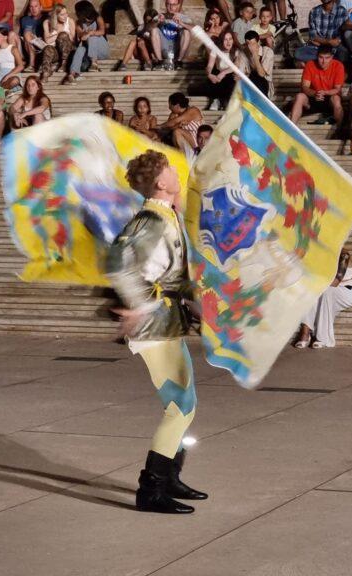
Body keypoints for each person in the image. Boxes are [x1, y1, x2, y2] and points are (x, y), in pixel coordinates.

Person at [106, 150, 206, 514]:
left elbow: (173, 274)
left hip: (167, 322)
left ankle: (171, 477)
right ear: (161, 182)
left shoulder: (166, 214)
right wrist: (139, 306)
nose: (177, 173)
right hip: (155, 326)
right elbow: (118, 264)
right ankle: (151, 489)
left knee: (183, 403)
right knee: (181, 408)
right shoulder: (152, 219)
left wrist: (196, 307)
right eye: (171, 170)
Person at [294, 249, 352, 348]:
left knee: (326, 290)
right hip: (327, 289)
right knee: (310, 291)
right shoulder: (321, 255)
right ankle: (305, 334)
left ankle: (322, 338)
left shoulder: (344, 255)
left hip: (347, 291)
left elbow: (335, 282)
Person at [290, 45, 345, 126]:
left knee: (336, 99)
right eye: (321, 57)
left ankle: (339, 129)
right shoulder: (310, 64)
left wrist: (325, 92)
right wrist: (315, 93)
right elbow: (305, 87)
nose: (324, 61)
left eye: (327, 58)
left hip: (329, 99)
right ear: (317, 56)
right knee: (300, 96)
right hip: (313, 97)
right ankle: (291, 128)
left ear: (332, 57)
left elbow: (337, 89)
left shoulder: (338, 65)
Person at [63, 0, 109, 84]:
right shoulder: (79, 23)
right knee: (80, 49)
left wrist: (90, 33)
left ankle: (94, 64)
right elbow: (81, 36)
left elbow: (102, 31)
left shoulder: (98, 18)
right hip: (89, 51)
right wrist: (85, 34)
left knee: (92, 37)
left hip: (101, 50)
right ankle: (72, 74)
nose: (76, 13)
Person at [294, 0, 349, 66]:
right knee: (298, 53)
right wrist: (328, 41)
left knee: (343, 53)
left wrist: (322, 41)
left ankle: (321, 60)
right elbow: (313, 36)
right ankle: (327, 60)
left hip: (335, 48)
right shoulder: (314, 11)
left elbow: (342, 35)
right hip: (318, 48)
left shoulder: (342, 11)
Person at [152, 0, 194, 70]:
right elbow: (148, 28)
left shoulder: (184, 18)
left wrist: (182, 23)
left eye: (174, 4)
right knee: (154, 30)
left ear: (178, 5)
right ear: (166, 5)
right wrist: (157, 22)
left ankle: (179, 62)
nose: (171, 7)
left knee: (186, 31)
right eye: (169, 4)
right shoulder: (159, 16)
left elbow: (195, 29)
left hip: (177, 48)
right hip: (163, 48)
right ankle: (160, 62)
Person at [40, 3, 75, 81]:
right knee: (47, 48)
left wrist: (59, 35)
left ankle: (64, 63)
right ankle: (45, 73)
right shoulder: (47, 22)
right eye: (62, 14)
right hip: (55, 51)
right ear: (56, 15)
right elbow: (47, 41)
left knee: (63, 35)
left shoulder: (70, 21)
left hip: (67, 51)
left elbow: (72, 39)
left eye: (66, 13)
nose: (65, 16)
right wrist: (58, 33)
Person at [204, 30, 237, 111]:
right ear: (221, 41)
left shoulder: (237, 51)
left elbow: (236, 66)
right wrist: (209, 74)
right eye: (225, 39)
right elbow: (209, 66)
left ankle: (226, 102)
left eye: (230, 39)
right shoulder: (216, 50)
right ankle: (216, 100)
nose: (228, 42)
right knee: (213, 76)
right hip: (219, 75)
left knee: (230, 79)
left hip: (231, 74)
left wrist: (224, 73)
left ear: (233, 40)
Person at [236, 30, 274, 98]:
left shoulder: (268, 52)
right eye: (248, 44)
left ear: (258, 42)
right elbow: (241, 71)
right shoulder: (244, 52)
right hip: (248, 81)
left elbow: (262, 74)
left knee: (257, 78)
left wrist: (255, 55)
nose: (250, 47)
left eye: (253, 44)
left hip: (263, 83)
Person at [20, 0, 46, 73]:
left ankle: (31, 65)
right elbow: (21, 35)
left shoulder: (46, 18)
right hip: (27, 45)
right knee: (12, 34)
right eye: (31, 7)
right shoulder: (24, 19)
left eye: (36, 6)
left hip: (42, 45)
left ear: (41, 7)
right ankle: (19, 64)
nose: (33, 9)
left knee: (27, 33)